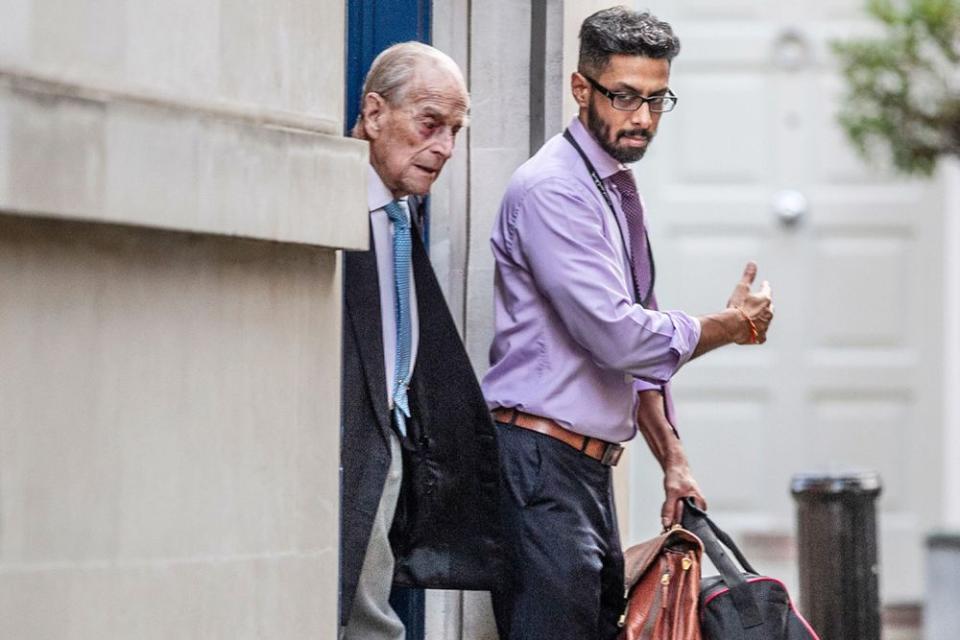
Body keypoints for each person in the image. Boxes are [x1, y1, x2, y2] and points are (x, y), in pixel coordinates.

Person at [482, 7, 775, 640]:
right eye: (624, 97)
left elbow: (633, 355)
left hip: (584, 474)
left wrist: (672, 456)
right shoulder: (554, 191)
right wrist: (729, 326)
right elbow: (618, 335)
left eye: (655, 99)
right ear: (581, 88)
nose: (642, 118)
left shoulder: (609, 187)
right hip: (539, 470)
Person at [341, 42, 502, 640]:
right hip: (350, 450)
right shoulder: (337, 203)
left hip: (397, 447)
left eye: (455, 131)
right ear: (375, 113)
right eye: (429, 124)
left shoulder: (402, 211)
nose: (444, 148)